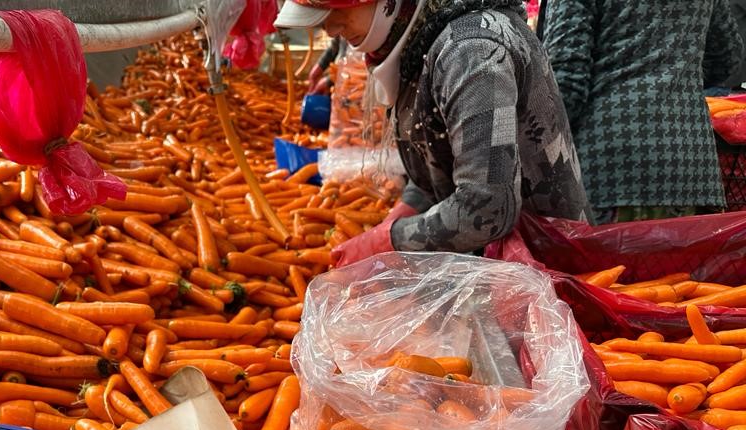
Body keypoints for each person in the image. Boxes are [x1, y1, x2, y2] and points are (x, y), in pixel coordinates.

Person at [274, 0, 592, 264]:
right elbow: (436, 161)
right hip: (501, 267)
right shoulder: (421, 42)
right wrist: (402, 212)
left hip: (549, 269)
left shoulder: (470, 52)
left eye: (334, 11)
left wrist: (388, 240)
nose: (329, 29)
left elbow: (487, 206)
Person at [542, 0, 744, 223]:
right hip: (689, 166)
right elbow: (728, 56)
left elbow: (565, 83)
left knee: (605, 259)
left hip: (608, 164)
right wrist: (678, 81)